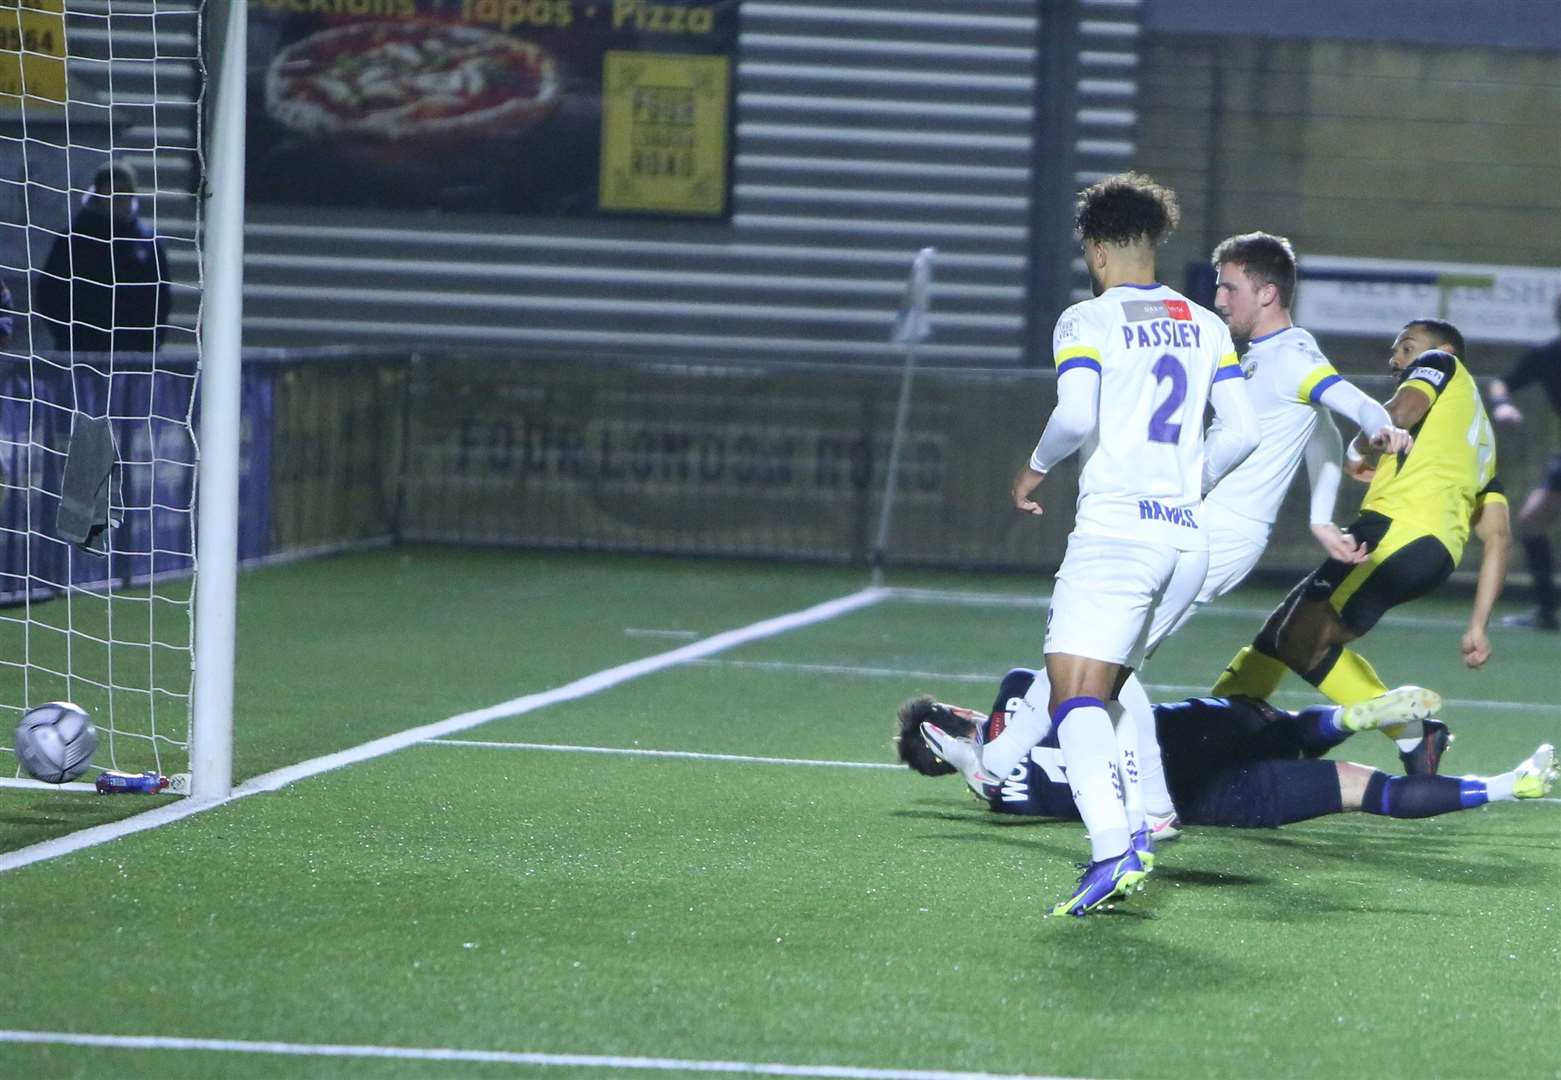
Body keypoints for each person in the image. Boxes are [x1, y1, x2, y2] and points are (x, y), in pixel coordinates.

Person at [1010, 172, 1259, 915]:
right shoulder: (1206, 325)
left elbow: (1075, 415)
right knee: (1107, 691)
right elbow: (1242, 432)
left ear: (1093, 249)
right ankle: (1138, 828)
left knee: (1073, 695)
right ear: (1151, 242)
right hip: (1185, 539)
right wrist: (1186, 480)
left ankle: (1112, 851)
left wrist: (1033, 468)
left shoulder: (1086, 319)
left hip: (1117, 532)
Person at [1212, 319, 1511, 771]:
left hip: (1396, 532)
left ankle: (1413, 735)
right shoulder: (1481, 439)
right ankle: (1228, 710)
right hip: (1433, 551)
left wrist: (1358, 446)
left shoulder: (1440, 363)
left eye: (1406, 349)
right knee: (1287, 624)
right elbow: (1498, 537)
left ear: (1445, 350)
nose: (1396, 360)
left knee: (1301, 639)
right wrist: (1478, 624)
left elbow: (1401, 410)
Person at [899, 668, 1555, 839]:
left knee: (1369, 792)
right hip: (1177, 735)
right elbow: (1073, 674)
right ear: (956, 714)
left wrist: (972, 768)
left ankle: (1508, 784)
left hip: (1201, 800)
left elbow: (992, 780)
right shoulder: (1016, 688)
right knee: (1282, 726)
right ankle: (1349, 715)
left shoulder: (998, 797)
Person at [1162, 232, 1412, 637]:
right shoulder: (1264, 354)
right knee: (1120, 647)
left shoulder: (1293, 356)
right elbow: (1322, 431)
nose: (1219, 301)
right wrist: (1320, 520)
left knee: (1117, 647)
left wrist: (1381, 427)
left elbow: (1359, 404)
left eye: (1230, 288)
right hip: (1202, 520)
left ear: (1267, 294)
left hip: (1225, 532)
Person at [34, 160, 169, 354]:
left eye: (124, 191)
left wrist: (150, 342)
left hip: (133, 358)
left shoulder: (148, 244)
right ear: (98, 194)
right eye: (111, 191)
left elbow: (162, 300)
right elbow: (48, 294)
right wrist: (67, 336)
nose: (118, 198)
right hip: (80, 355)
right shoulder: (73, 239)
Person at [1486, 294, 1561, 631]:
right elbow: (1502, 382)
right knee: (1531, 522)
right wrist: (1502, 404)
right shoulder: (1547, 355)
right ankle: (1546, 611)